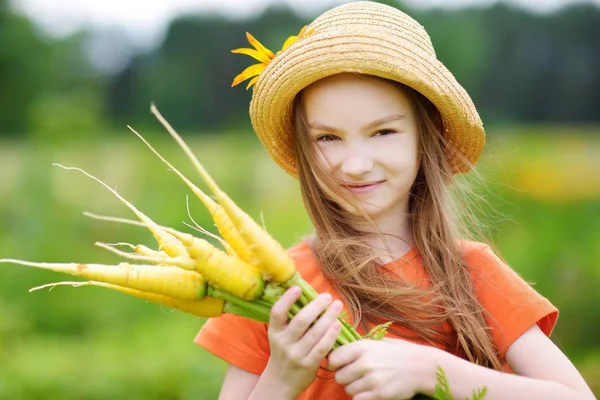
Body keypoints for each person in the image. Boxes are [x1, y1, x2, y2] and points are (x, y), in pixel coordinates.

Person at [194, 2, 596, 399]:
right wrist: (282, 379)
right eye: (327, 138)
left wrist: (434, 371)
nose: (355, 164)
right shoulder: (275, 291)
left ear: (427, 136)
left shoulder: (471, 274)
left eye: (383, 132)